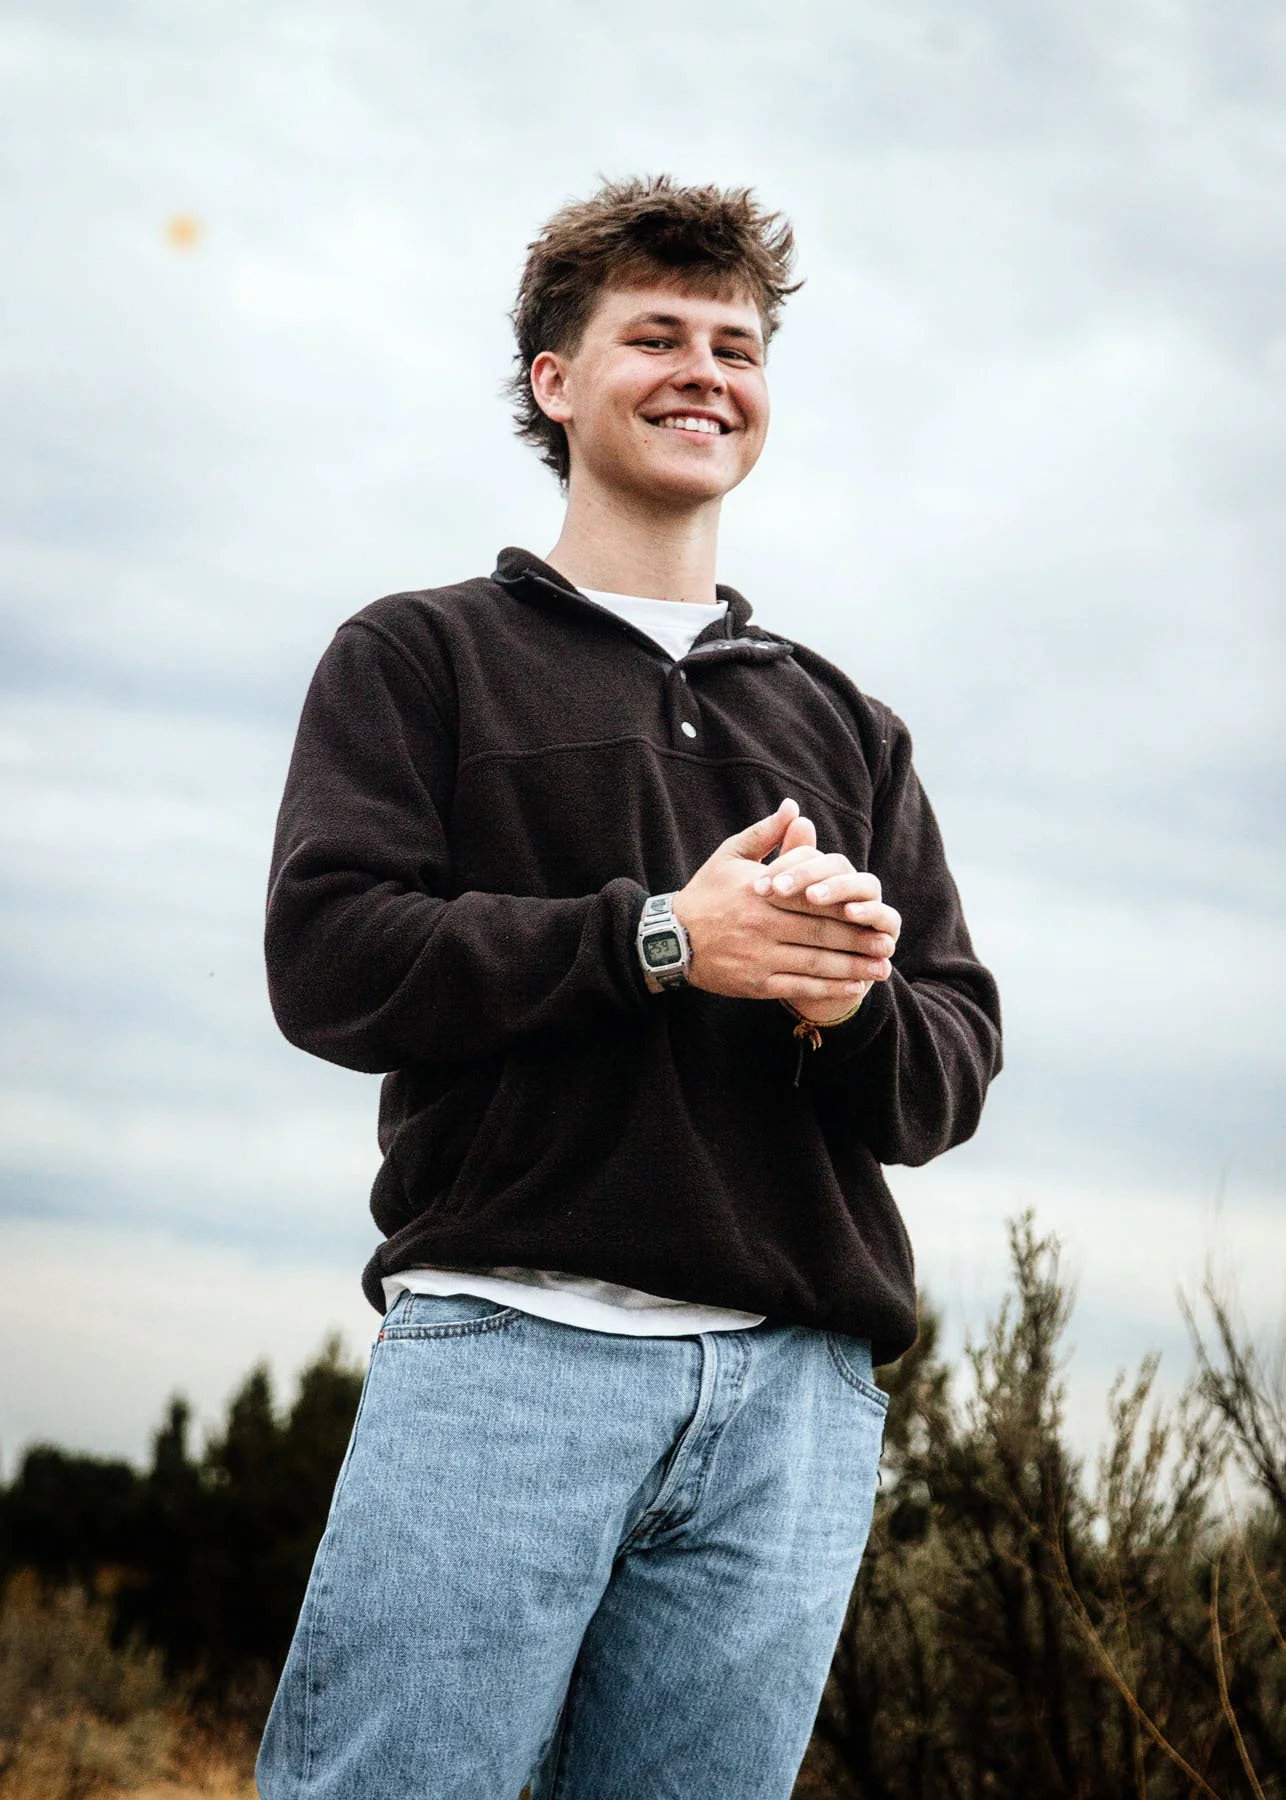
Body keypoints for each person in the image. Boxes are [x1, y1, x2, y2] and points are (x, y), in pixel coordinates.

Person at [255, 175, 1002, 1800]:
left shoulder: (845, 724)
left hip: (794, 1407)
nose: (703, 373)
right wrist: (665, 937)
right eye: (653, 335)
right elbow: (329, 962)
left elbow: (949, 1068)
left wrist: (840, 996)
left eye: (735, 346)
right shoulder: (418, 655)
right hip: (510, 1361)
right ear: (552, 380)